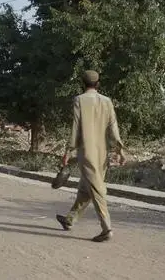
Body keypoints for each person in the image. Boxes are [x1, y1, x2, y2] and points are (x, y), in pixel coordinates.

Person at [56, 70, 125, 242]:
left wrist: (68, 150)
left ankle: (106, 228)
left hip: (86, 152)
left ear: (82, 83)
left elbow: (76, 127)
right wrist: (120, 149)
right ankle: (70, 219)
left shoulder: (79, 100)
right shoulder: (107, 101)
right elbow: (113, 127)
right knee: (86, 188)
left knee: (96, 189)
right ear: (98, 83)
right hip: (102, 153)